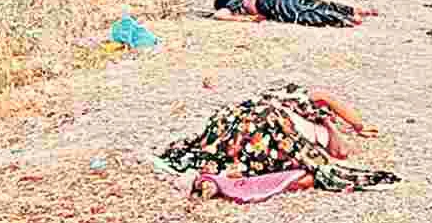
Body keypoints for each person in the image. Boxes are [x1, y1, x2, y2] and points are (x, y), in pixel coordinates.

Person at [159, 83, 399, 194]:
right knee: (310, 174)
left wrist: (356, 124)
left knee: (224, 153)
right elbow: (341, 152)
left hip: (230, 119)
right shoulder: (317, 124)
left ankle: (209, 175)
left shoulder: (283, 96)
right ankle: (220, 181)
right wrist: (344, 124)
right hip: (263, 125)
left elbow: (325, 96)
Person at [213, 0, 377, 28]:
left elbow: (219, 15)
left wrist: (246, 19)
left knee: (305, 14)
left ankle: (348, 19)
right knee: (316, 4)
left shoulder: (233, 3)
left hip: (274, 3)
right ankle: (354, 10)